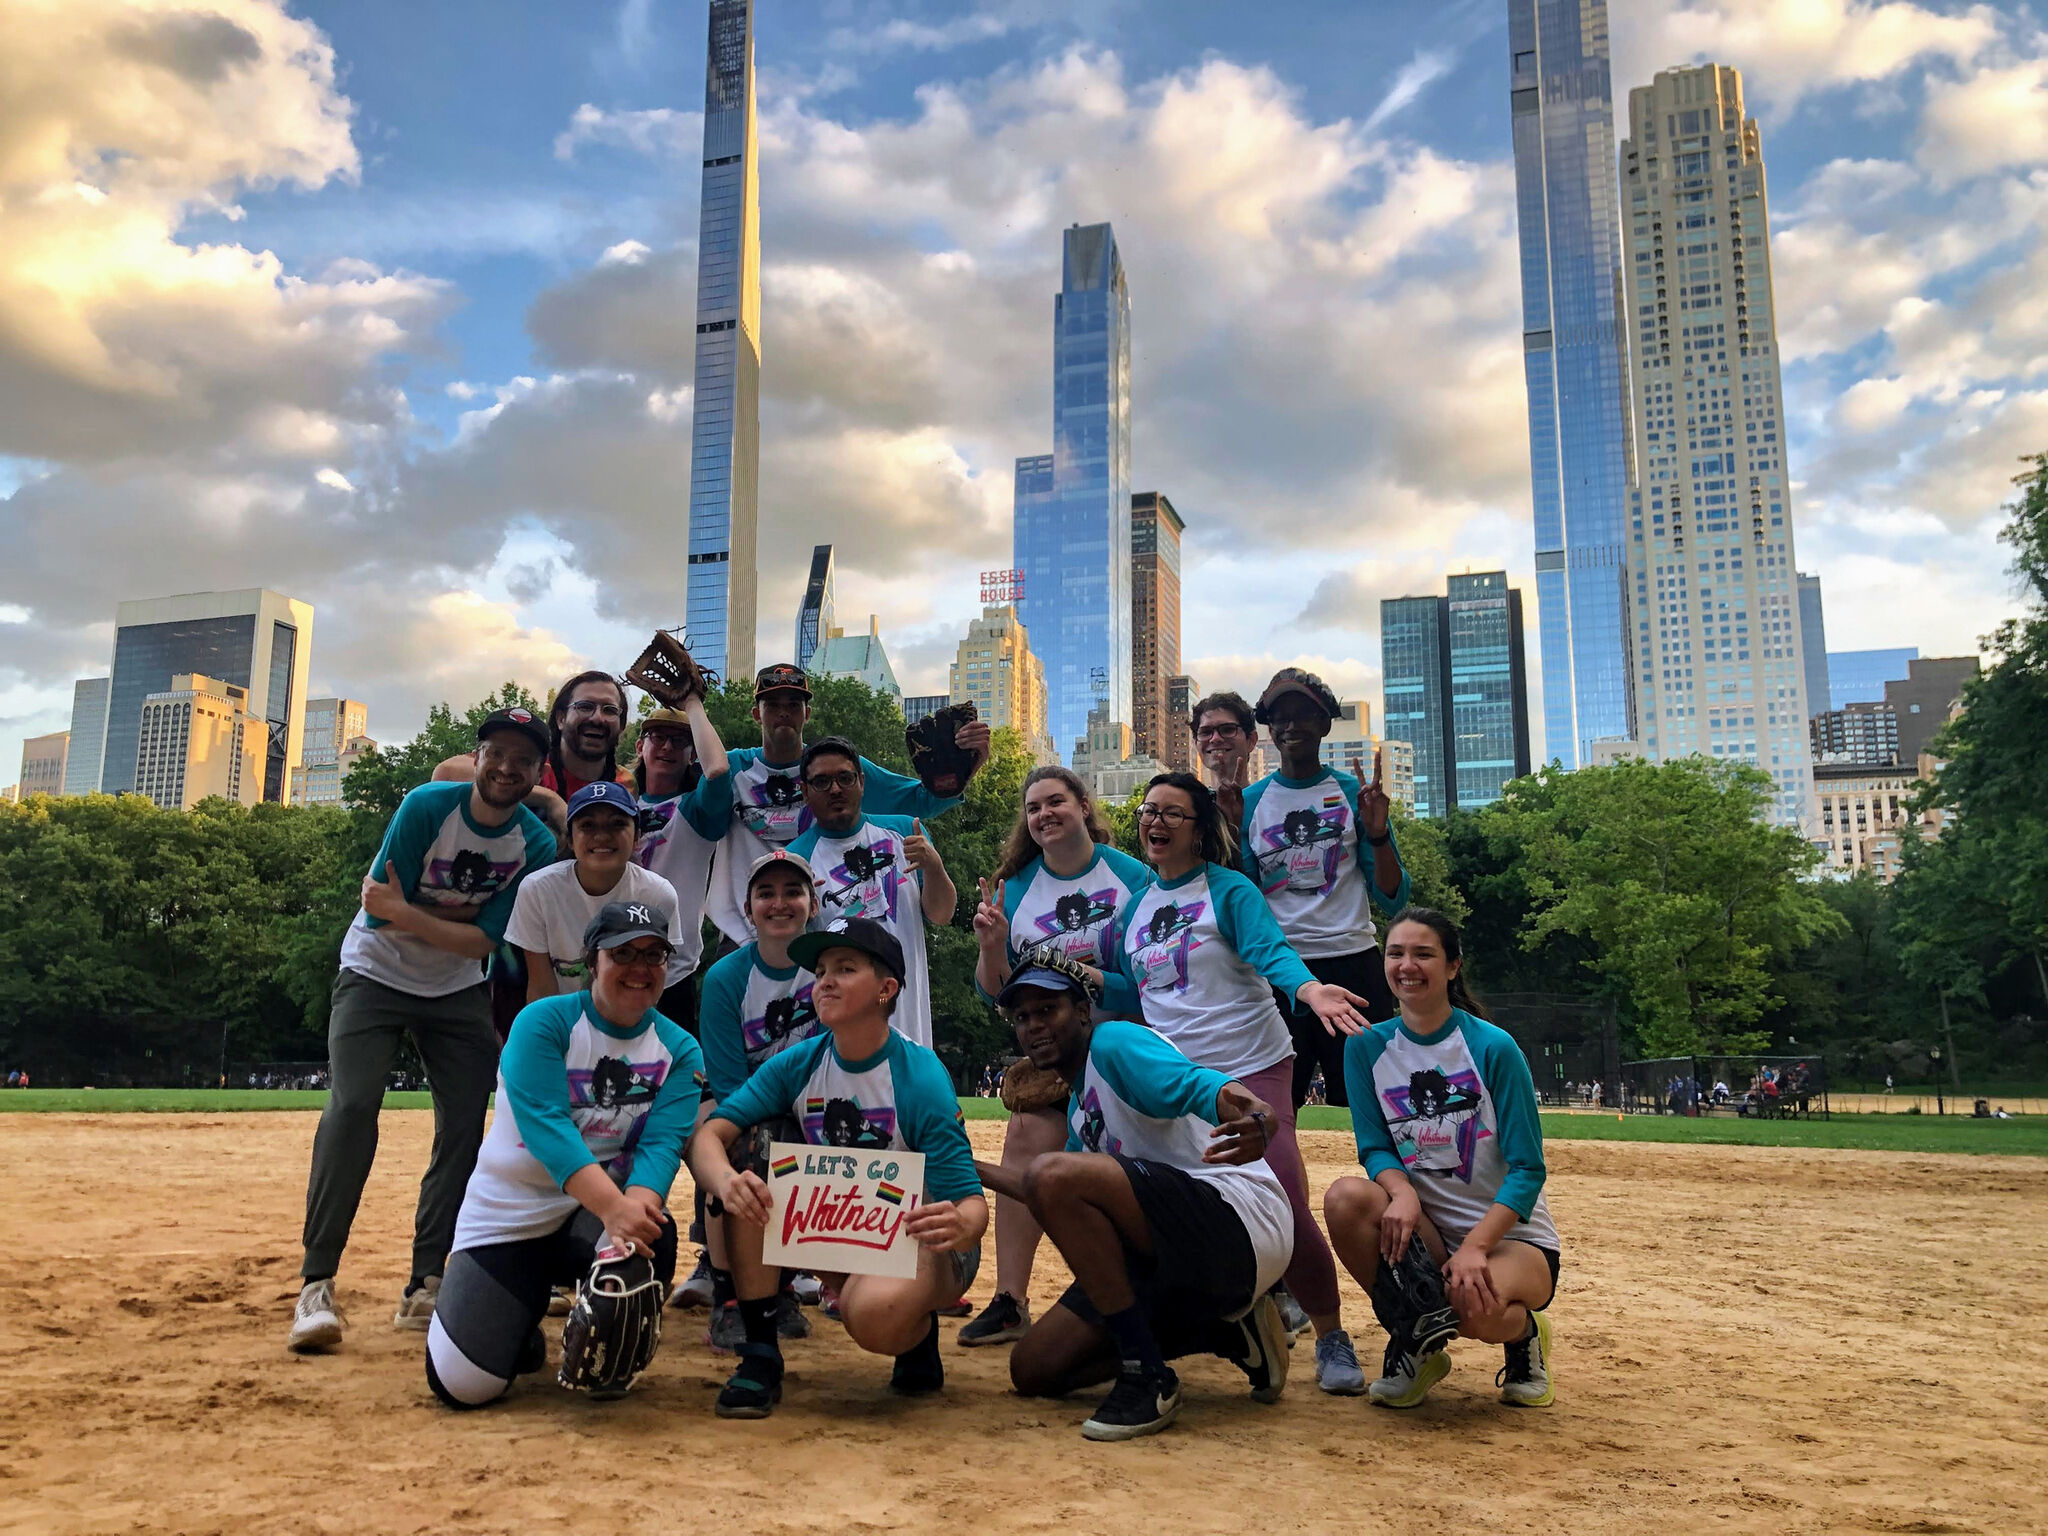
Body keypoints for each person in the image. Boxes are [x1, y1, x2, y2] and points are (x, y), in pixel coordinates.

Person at [289, 707, 557, 1352]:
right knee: (352, 1107)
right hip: (374, 973)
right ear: (478, 755)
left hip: (458, 991)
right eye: (497, 753)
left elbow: (478, 943)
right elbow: (376, 916)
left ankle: (426, 1282)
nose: (507, 768)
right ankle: (316, 1283)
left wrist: (415, 912)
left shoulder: (537, 845)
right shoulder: (425, 806)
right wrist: (441, 922)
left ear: (536, 771)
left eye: (523, 760)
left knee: (466, 1123)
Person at [1105, 770, 1373, 1396]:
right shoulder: (1134, 909)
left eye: (1174, 813)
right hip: (1180, 1081)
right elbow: (1127, 991)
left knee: (1279, 1190)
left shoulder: (1228, 890)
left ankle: (1331, 1334)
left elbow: (1271, 951)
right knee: (1180, 1196)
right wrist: (1056, 975)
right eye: (1149, 810)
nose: (1157, 822)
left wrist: (1308, 988)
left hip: (1252, 1065)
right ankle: (1244, 1305)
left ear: (1201, 832)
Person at [985, 953, 1296, 1441]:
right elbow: (1040, 1190)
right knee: (1035, 1368)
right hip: (1178, 1243)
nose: (1034, 1026)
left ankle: (1145, 1371)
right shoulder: (1080, 1107)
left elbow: (1197, 1083)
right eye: (1023, 1017)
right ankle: (1222, 1330)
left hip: (1239, 1220)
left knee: (1053, 1173)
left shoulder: (1114, 1042)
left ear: (1084, 1012)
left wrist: (1255, 1111)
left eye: (1048, 1010)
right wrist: (963, 1167)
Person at [687, 917, 988, 1417]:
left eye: (845, 969)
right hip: (845, 1233)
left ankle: (916, 1332)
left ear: (886, 989)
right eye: (821, 969)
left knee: (868, 1316)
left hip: (928, 1246)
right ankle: (759, 1354)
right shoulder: (800, 1063)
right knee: (759, 1146)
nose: (824, 980)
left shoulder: (919, 1077)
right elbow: (712, 1135)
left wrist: (959, 1225)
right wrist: (724, 1180)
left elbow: (972, 1206)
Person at [424, 902, 709, 1406]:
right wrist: (615, 1209)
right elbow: (548, 1128)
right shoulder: (543, 1023)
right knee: (464, 1388)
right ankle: (519, 1318)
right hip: (510, 1216)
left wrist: (634, 1214)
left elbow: (661, 1144)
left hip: (590, 1219)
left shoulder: (680, 1049)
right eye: (623, 953)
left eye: (654, 954)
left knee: (651, 1232)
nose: (640, 967)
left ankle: (601, 1335)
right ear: (591, 962)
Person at [1323, 908, 1560, 1410]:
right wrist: (1403, 1191)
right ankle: (1416, 1342)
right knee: (1345, 1198)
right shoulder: (1366, 1047)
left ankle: (1525, 1336)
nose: (1407, 965)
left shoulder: (1492, 1047)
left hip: (1510, 1238)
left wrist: (1476, 1246)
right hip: (1430, 1230)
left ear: (1452, 967)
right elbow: (1375, 1146)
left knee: (1471, 1307)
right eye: (1395, 953)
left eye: (1423, 953)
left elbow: (1527, 1169)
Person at [960, 766, 1153, 1348]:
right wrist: (991, 946)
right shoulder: (1015, 886)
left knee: (1137, 1165)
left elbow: (1152, 978)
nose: (1044, 814)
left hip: (1121, 1046)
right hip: (1053, 1050)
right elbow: (994, 992)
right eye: (1033, 807)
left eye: (1056, 802)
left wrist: (1090, 978)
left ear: (1085, 806)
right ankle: (1010, 1298)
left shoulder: (1132, 877)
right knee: (1023, 1140)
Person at [704, 664, 989, 954]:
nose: (783, 712)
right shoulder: (732, 769)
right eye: (773, 704)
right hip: (742, 933)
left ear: (807, 713)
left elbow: (921, 800)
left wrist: (965, 769)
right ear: (756, 713)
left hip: (820, 930)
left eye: (793, 704)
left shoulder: (837, 766)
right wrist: (691, 703)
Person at [1240, 668, 1409, 1113]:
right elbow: (1244, 897)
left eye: (1302, 715)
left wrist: (1377, 834)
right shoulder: (1251, 802)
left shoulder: (1355, 793)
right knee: (1273, 1108)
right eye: (1280, 717)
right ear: (1269, 729)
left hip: (1351, 962)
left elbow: (1394, 895)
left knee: (1368, 1105)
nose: (1291, 725)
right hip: (1281, 973)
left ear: (1325, 724)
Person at [687, 849, 826, 1339]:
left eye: (793, 892)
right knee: (734, 1142)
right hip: (743, 1099)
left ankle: (782, 1285)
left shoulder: (830, 967)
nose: (779, 903)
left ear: (813, 903)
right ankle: (728, 1293)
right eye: (765, 893)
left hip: (810, 1103)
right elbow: (726, 1081)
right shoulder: (727, 976)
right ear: (748, 909)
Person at [786, 737, 957, 1049]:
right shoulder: (795, 861)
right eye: (822, 782)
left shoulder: (905, 831)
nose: (836, 789)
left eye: (845, 777)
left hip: (909, 1024)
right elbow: (790, 957)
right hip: (838, 1036)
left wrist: (935, 868)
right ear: (805, 791)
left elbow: (941, 915)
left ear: (862, 782)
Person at [505, 782, 687, 1004]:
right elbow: (541, 987)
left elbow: (651, 987)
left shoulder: (658, 894)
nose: (602, 836)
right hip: (563, 1018)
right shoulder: (537, 890)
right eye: (588, 825)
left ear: (637, 836)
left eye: (617, 824)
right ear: (570, 839)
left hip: (629, 1017)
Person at [627, 694, 734, 1027]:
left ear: (692, 755)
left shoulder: (695, 809)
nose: (667, 748)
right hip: (612, 960)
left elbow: (717, 770)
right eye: (658, 738)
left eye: (680, 742)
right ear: (639, 746)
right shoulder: (617, 805)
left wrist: (692, 703)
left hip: (672, 971)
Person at [1187, 690, 1258, 837]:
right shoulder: (1188, 808)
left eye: (1227, 729)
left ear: (1251, 741)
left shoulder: (1269, 801)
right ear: (1196, 744)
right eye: (1205, 732)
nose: (1215, 739)